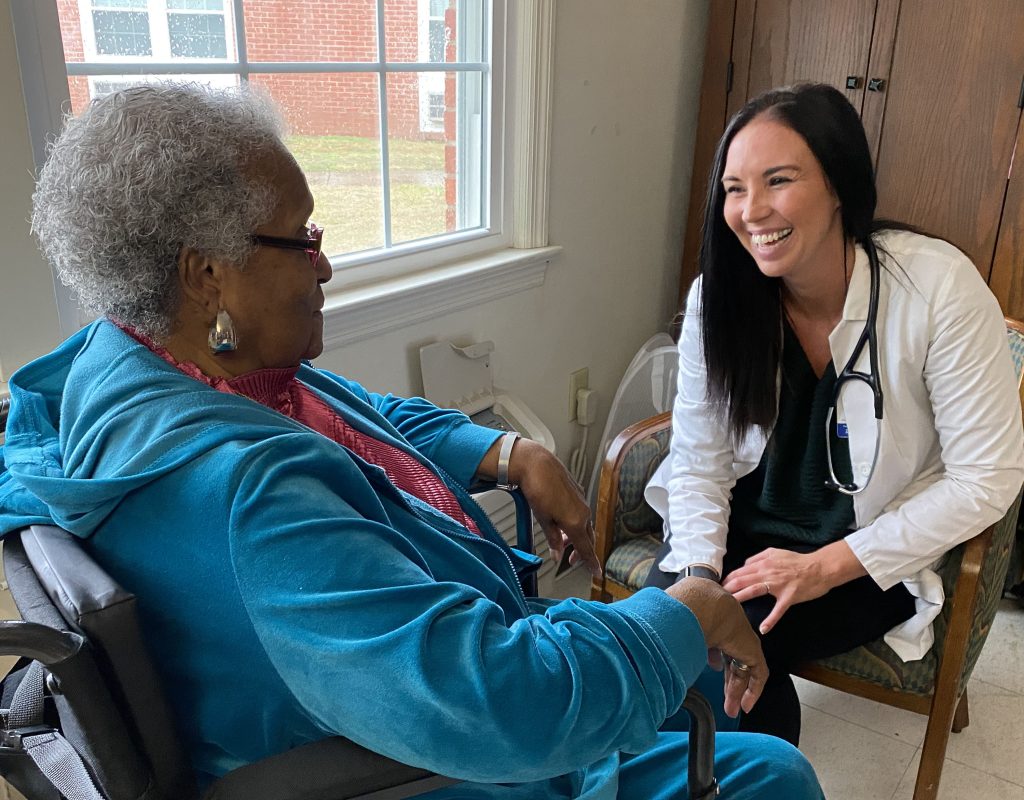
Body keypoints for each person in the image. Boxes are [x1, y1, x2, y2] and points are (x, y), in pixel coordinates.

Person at [0, 84, 824, 799]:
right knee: (772, 767)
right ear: (205, 273)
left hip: (387, 684)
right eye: (304, 238)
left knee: (739, 694)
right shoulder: (249, 501)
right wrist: (693, 605)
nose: (325, 267)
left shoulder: (137, 362)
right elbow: (501, 705)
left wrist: (510, 452)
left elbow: (357, 410)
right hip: (418, 758)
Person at [644, 82, 1024, 746]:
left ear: (839, 183)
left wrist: (823, 566)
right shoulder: (722, 296)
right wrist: (701, 576)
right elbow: (701, 462)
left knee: (731, 649)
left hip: (868, 550)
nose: (751, 209)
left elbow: (985, 479)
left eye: (778, 180)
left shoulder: (937, 289)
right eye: (734, 188)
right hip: (740, 531)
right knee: (675, 633)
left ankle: (754, 783)